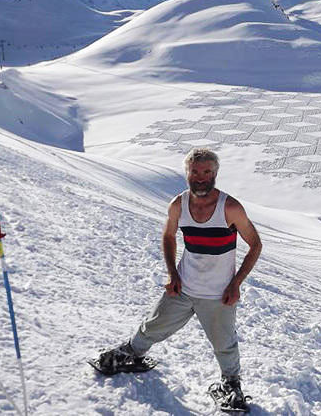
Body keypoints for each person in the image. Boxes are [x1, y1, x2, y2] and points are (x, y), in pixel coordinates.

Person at [97, 148, 262, 408]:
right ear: (187, 173)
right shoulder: (178, 204)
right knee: (154, 324)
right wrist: (173, 273)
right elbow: (168, 235)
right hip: (184, 286)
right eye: (195, 171)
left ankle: (231, 384)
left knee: (224, 343)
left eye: (206, 171)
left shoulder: (229, 207)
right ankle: (131, 354)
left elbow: (255, 244)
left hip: (218, 294)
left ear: (215, 174)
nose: (200, 177)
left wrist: (235, 283)